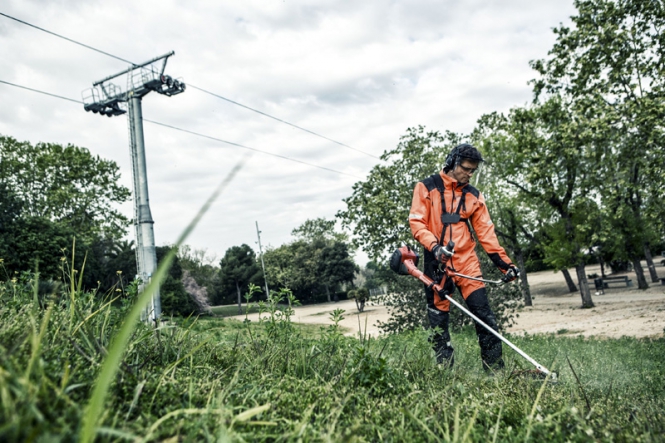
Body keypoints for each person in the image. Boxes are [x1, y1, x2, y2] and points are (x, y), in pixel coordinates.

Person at [408, 143, 519, 370]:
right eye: (467, 169)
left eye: (473, 171)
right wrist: (435, 248)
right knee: (438, 322)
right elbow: (417, 224)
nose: (470, 174)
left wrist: (505, 265)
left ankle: (495, 372)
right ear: (453, 163)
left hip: (467, 264)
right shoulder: (426, 187)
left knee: (485, 317)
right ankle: (445, 373)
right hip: (436, 264)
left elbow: (487, 234)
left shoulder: (473, 196)